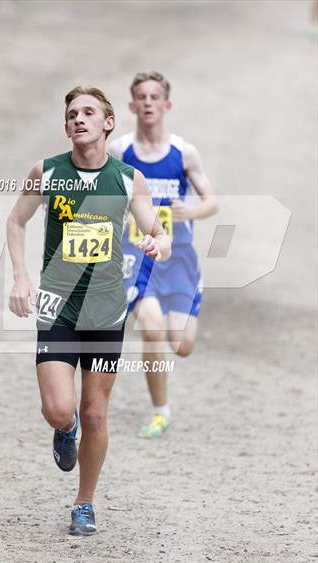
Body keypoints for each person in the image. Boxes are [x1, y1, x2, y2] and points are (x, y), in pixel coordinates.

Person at [6, 86, 171, 536]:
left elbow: (158, 230)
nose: (79, 118)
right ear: (66, 127)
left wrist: (158, 241)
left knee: (96, 413)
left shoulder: (126, 178)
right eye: (73, 114)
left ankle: (84, 503)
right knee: (61, 409)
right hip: (58, 307)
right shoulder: (48, 171)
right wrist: (22, 277)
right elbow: (15, 221)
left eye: (89, 112)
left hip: (105, 311)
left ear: (108, 123)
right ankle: (64, 429)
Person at [108, 72, 218, 439]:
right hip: (137, 258)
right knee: (151, 330)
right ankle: (160, 411)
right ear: (132, 105)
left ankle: (162, 403)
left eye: (155, 97)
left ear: (166, 105)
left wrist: (192, 212)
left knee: (182, 344)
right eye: (142, 96)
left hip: (179, 259)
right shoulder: (119, 152)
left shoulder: (183, 153)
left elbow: (211, 200)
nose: (149, 102)